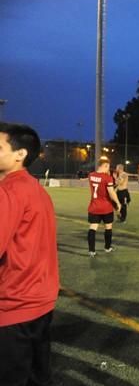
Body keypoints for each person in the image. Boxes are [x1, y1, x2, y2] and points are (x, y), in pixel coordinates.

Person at [0, 122, 59, 385]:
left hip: (13, 304)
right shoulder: (37, 190)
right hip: (41, 301)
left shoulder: (9, 191)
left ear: (20, 154)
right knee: (38, 377)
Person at [87, 157, 121, 257]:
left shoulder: (91, 175)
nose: (108, 170)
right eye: (108, 167)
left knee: (93, 228)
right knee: (108, 227)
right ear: (104, 166)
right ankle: (107, 248)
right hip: (106, 207)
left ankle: (91, 251)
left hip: (94, 207)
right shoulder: (107, 178)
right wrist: (118, 203)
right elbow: (111, 193)